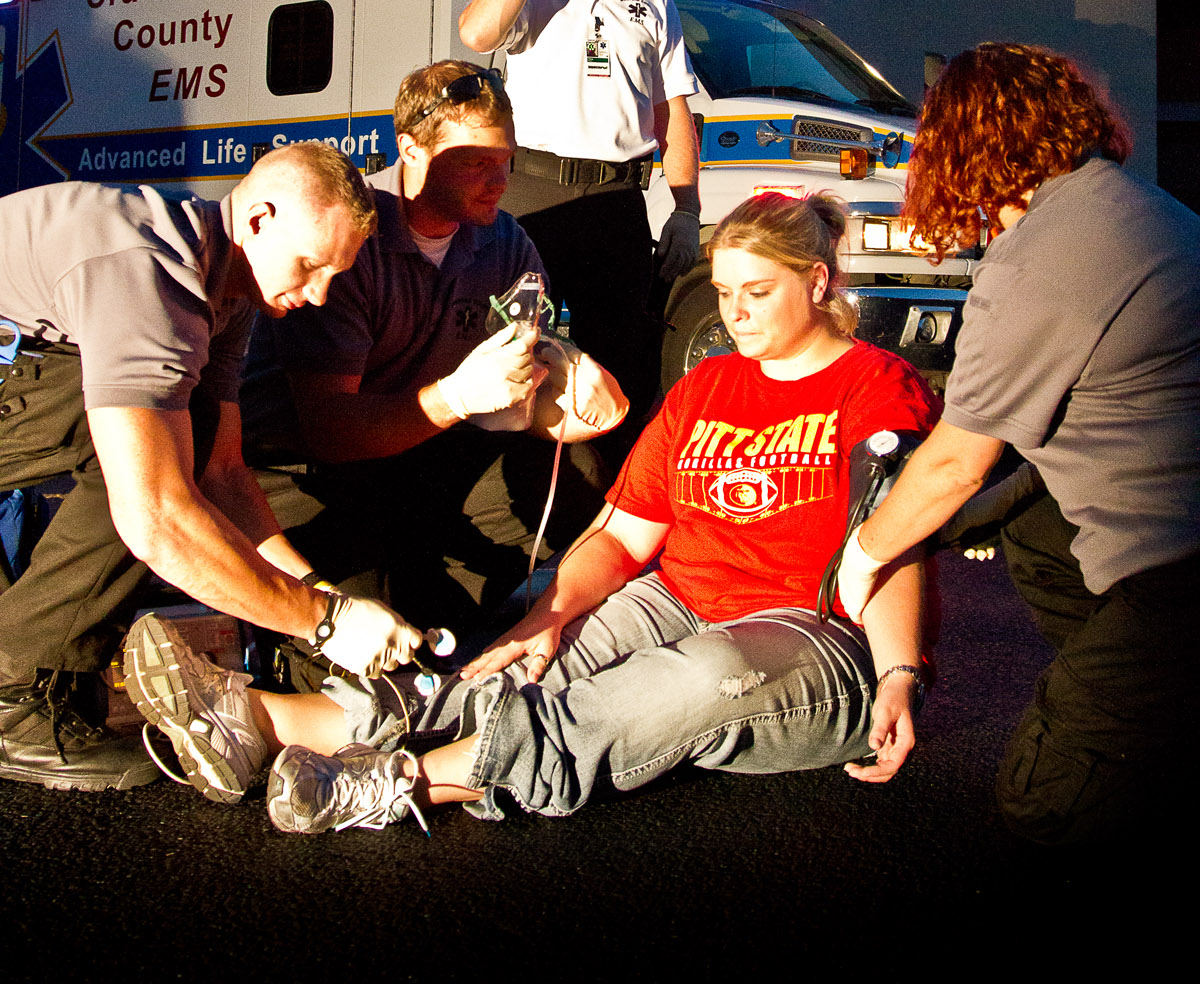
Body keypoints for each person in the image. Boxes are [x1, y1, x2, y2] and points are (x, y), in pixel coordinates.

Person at [122, 190, 938, 833]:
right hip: (681, 597)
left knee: (683, 680)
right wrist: (547, 617)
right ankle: (262, 722)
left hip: (810, 630)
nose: (735, 314)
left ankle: (404, 783)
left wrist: (900, 673)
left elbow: (895, 543)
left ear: (818, 283)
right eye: (724, 293)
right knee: (516, 659)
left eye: (757, 293)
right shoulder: (708, 385)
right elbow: (624, 536)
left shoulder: (878, 387)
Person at [836, 43, 1200, 845]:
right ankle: (1140, 701)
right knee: (1029, 521)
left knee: (1043, 799)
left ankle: (1150, 721)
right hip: (1168, 529)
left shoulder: (1042, 256)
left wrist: (861, 557)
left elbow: (955, 464)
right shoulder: (1139, 206)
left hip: (1178, 575)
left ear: (963, 145)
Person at [0, 144, 422, 792]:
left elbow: (223, 474)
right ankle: (18, 702)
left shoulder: (225, 291)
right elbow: (156, 519)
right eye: (311, 265)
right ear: (258, 219)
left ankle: (33, 674)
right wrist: (322, 623)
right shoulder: (151, 274)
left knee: (180, 426)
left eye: (334, 276)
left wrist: (325, 597)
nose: (319, 294)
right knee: (153, 444)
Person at [241, 61, 628, 636]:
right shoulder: (347, 238)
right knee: (372, 623)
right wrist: (458, 397)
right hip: (311, 467)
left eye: (506, 160)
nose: (500, 180)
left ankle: (501, 625)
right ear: (412, 151)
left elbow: (536, 359)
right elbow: (331, 431)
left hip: (428, 446)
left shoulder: (503, 241)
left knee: (576, 476)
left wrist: (569, 379)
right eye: (476, 163)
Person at [458, 0, 700, 427]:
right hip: (532, 200)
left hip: (618, 204)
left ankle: (609, 484)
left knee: (618, 372)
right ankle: (500, 480)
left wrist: (687, 210)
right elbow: (476, 34)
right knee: (511, 359)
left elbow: (672, 112)